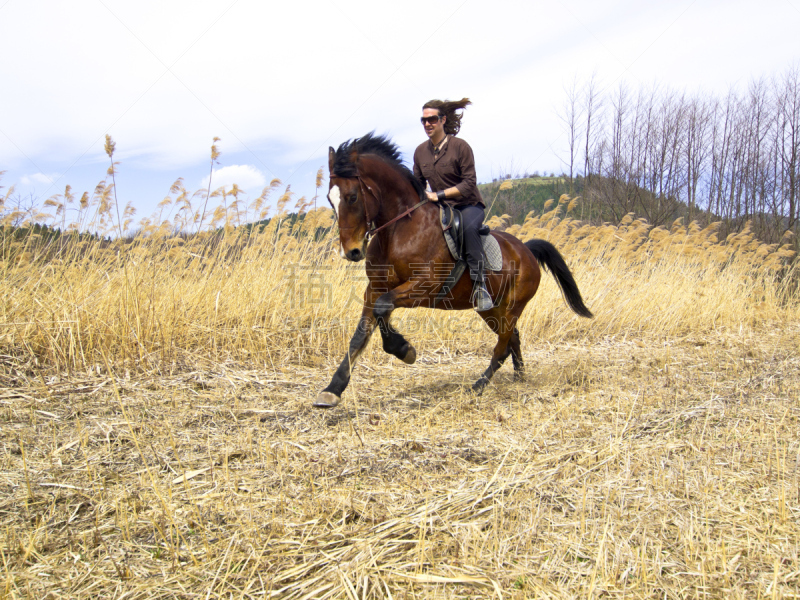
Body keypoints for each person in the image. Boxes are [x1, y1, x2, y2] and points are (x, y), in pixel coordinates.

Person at [413, 98, 493, 312]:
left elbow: (469, 184)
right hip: (440, 208)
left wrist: (437, 194)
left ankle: (480, 286)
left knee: (467, 227)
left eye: (432, 119)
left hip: (467, 205)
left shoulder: (460, 146)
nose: (427, 124)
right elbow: (418, 184)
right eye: (424, 120)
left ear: (442, 120)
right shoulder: (420, 151)